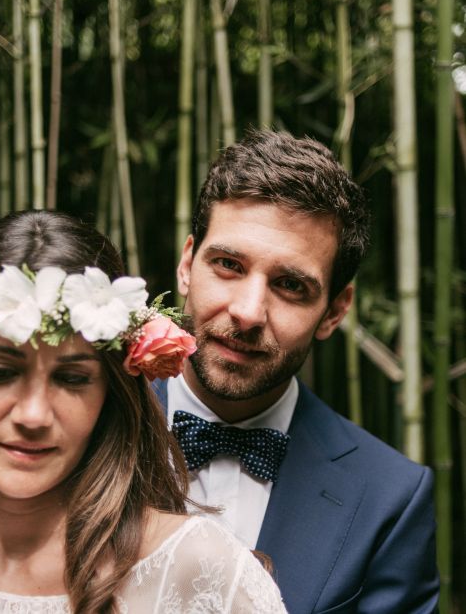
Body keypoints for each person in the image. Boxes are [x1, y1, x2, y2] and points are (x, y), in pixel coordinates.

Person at [0, 210, 286, 613]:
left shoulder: (202, 575)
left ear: (110, 395)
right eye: (1, 372)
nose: (34, 414)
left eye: (71, 379)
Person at [153, 130, 439, 613]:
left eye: (290, 285)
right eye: (227, 264)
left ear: (334, 310)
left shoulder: (391, 500)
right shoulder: (78, 425)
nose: (247, 312)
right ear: (187, 264)